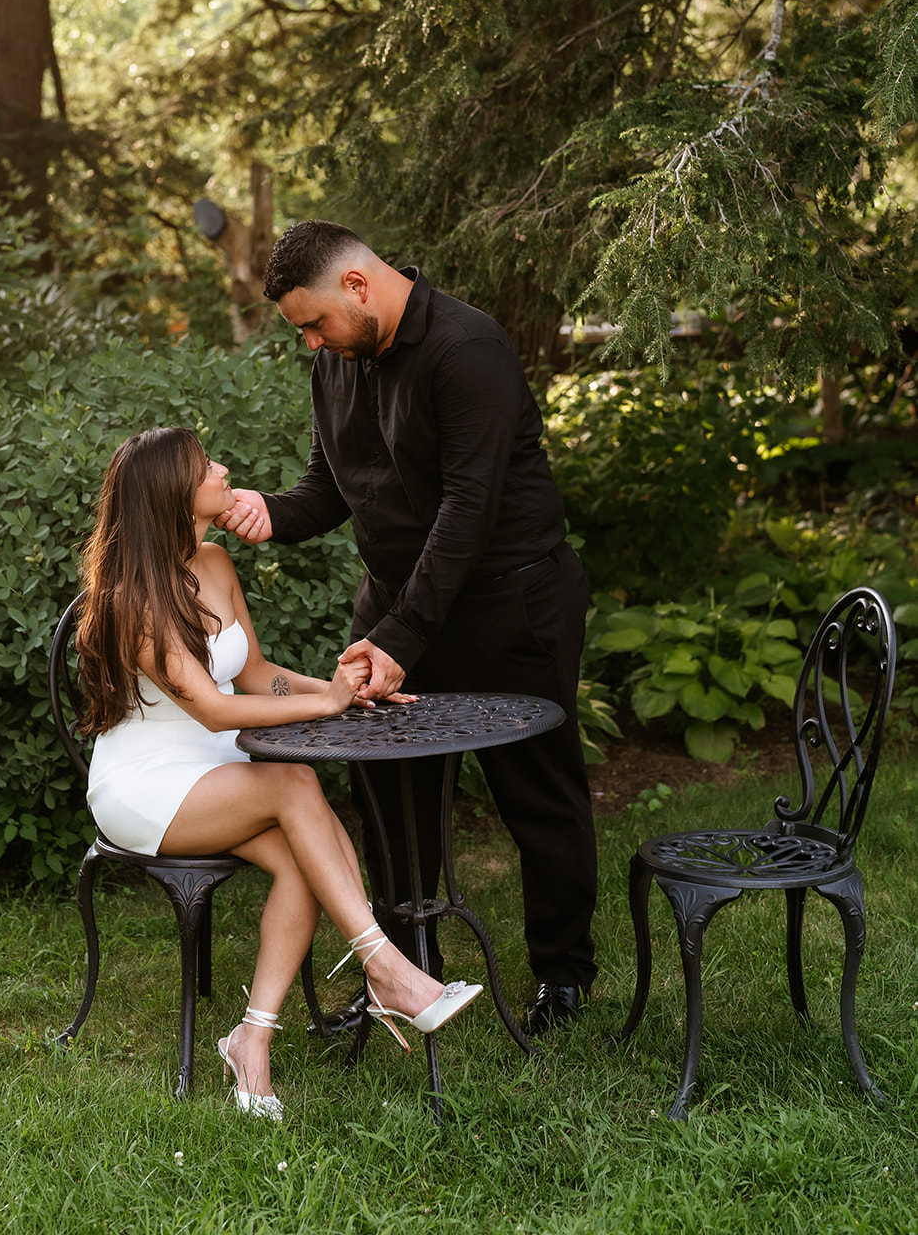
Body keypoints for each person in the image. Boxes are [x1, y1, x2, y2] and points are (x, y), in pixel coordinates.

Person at [217, 220, 597, 1034]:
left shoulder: (469, 352)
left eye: (313, 322)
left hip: (511, 603)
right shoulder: (337, 360)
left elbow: (466, 513)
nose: (311, 341)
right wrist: (269, 516)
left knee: (538, 793)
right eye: (302, 331)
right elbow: (329, 486)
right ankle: (406, 972)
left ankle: (562, 977)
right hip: (398, 607)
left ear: (357, 285)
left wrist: (397, 638)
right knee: (389, 794)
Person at [76, 425, 481, 1119]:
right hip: (147, 785)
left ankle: (250, 1040)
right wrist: (323, 699)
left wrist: (340, 690)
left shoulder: (214, 565)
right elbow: (209, 708)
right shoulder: (132, 599)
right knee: (297, 783)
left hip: (221, 772)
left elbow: (256, 675)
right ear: (175, 491)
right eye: (207, 466)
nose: (225, 468)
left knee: (301, 858)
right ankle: (385, 968)